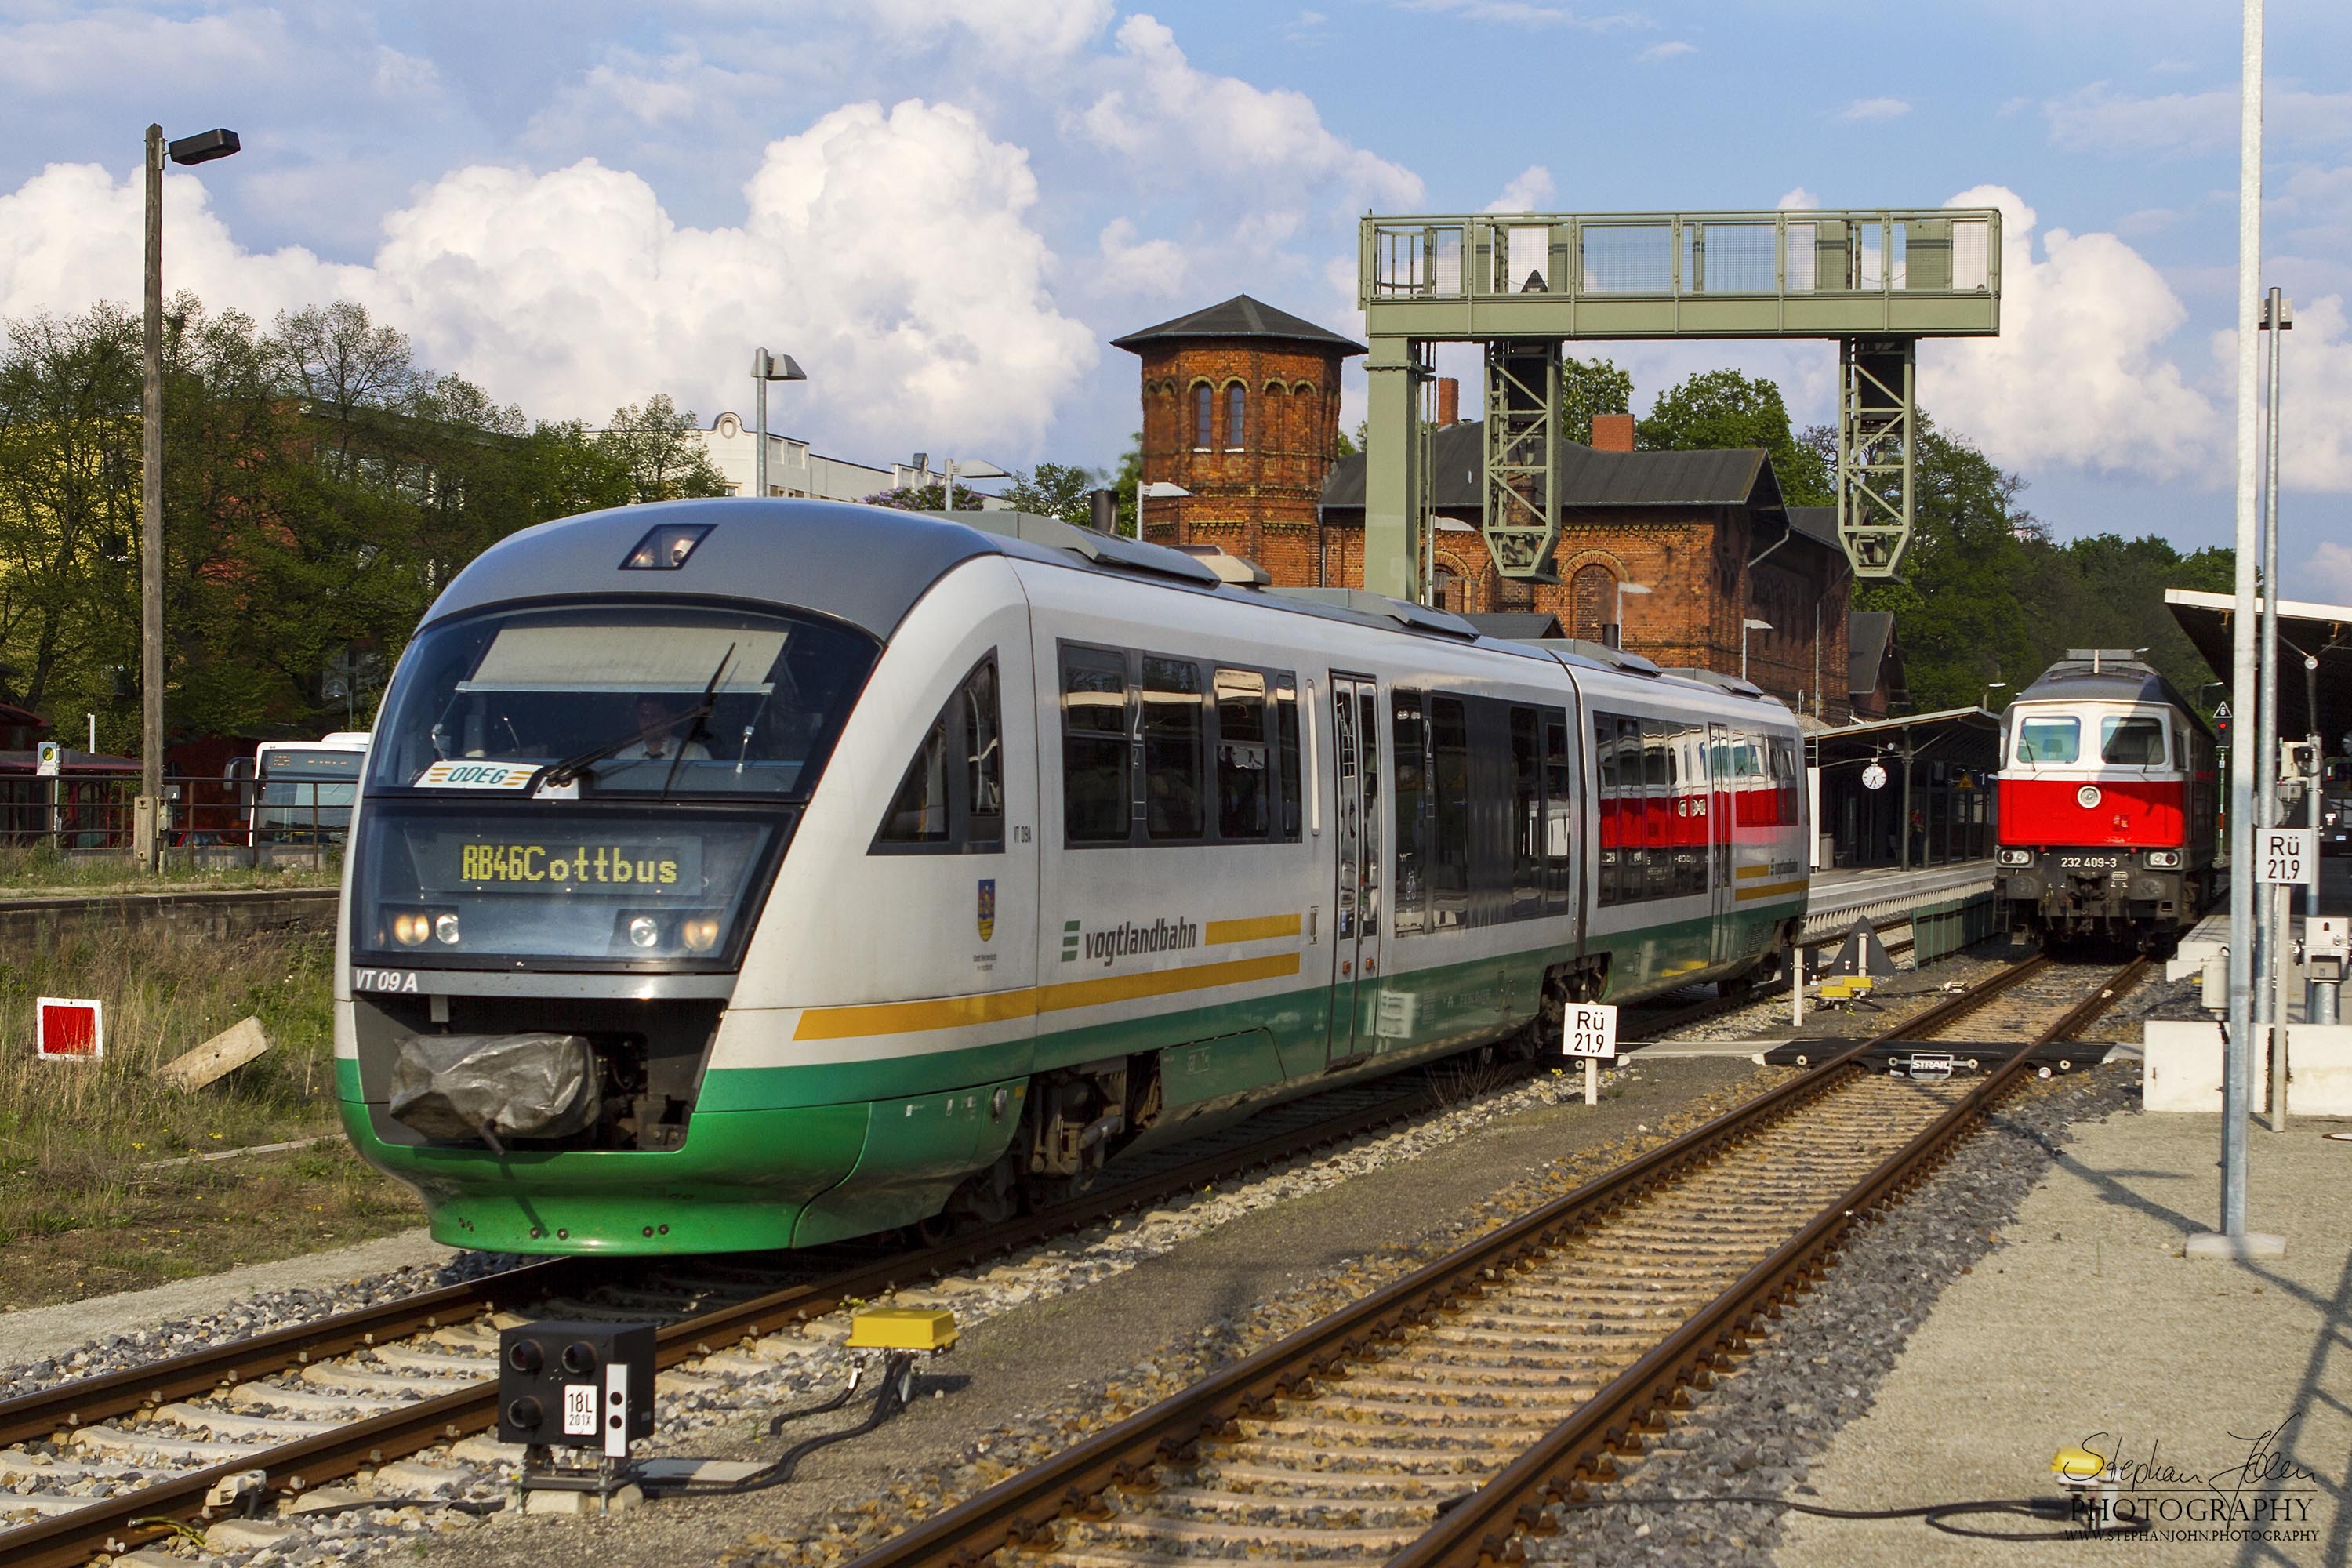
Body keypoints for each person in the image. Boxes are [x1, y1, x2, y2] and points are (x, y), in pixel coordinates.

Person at [614, 695, 711, 761]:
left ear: (670, 719)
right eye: (643, 716)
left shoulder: (694, 755)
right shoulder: (625, 758)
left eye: (655, 716)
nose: (649, 722)